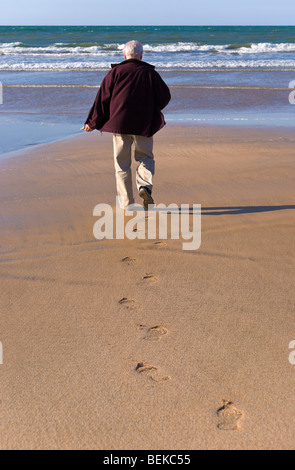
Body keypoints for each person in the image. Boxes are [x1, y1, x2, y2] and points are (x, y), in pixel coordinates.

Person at [81, 40, 171, 210]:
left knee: (122, 165)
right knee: (146, 158)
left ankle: (127, 204)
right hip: (144, 124)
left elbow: (102, 101)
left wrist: (91, 123)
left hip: (120, 124)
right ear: (141, 55)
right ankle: (144, 187)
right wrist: (151, 109)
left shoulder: (115, 73)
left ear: (124, 56)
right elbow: (165, 96)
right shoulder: (150, 73)